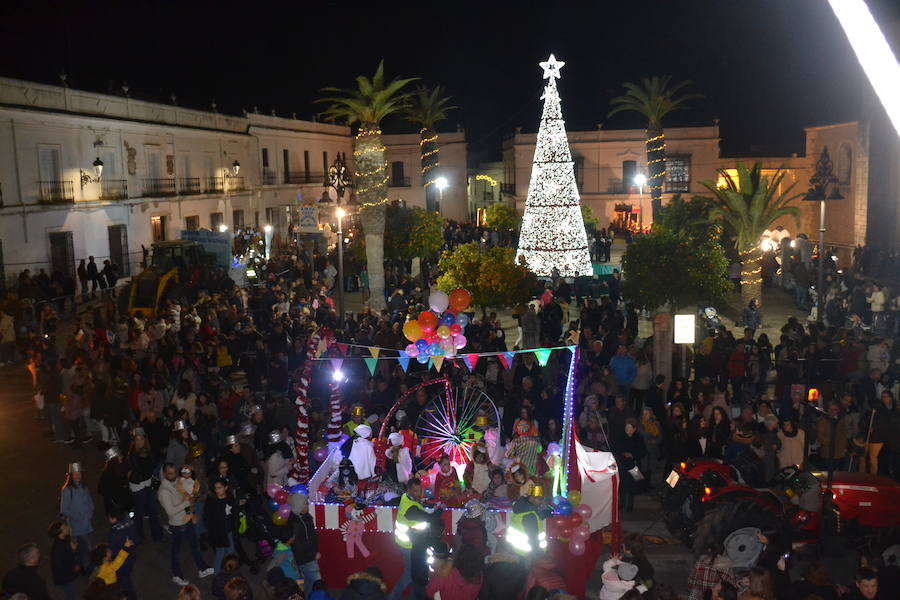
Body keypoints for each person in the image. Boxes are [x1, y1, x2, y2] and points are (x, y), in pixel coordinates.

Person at [157, 462, 214, 586]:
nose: (173, 475)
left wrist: (191, 510)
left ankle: (202, 568)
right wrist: (187, 503)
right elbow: (170, 511)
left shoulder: (177, 481)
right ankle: (177, 575)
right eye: (170, 473)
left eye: (174, 472)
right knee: (176, 551)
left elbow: (186, 491)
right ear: (165, 473)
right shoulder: (164, 491)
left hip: (187, 519)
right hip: (178, 524)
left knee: (195, 545)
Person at [389, 478, 440, 600]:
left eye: (420, 490)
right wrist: (440, 509)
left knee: (414, 575)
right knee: (410, 575)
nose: (419, 493)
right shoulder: (410, 509)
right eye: (416, 491)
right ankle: (393, 597)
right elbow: (430, 518)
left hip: (411, 544)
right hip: (409, 546)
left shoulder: (405, 498)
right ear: (409, 490)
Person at [60, 462, 95, 570]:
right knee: (86, 546)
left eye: (79, 473)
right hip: (77, 525)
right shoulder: (67, 490)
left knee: (81, 547)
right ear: (70, 476)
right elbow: (64, 510)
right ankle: (88, 568)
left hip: (86, 522)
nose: (78, 476)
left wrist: (90, 512)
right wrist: (78, 517)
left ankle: (80, 565)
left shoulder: (84, 487)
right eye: (75, 474)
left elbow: (90, 502)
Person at [288, 491, 321, 598]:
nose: (308, 505)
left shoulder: (305, 516)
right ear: (299, 507)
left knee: (309, 582)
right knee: (317, 583)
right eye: (305, 504)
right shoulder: (296, 524)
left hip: (309, 556)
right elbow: (299, 547)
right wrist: (313, 556)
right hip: (307, 560)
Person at [204, 478, 239, 574]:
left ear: (226, 488)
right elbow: (208, 520)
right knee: (220, 553)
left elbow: (234, 514)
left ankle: (231, 572)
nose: (217, 490)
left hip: (230, 531)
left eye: (220, 488)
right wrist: (213, 534)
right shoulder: (212, 502)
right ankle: (217, 575)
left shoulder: (230, 497)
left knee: (231, 553)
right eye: (216, 488)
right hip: (219, 534)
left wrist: (236, 526)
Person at [508, 484, 550, 557]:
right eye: (540, 499)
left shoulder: (522, 508)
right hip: (529, 555)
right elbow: (533, 539)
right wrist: (538, 554)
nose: (541, 502)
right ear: (532, 498)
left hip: (518, 552)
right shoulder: (530, 515)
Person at [48, 519, 81, 600]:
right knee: (71, 593)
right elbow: (62, 564)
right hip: (65, 577)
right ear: (60, 533)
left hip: (66, 574)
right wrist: (73, 551)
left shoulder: (64, 539)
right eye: (65, 527)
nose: (68, 527)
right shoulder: (59, 548)